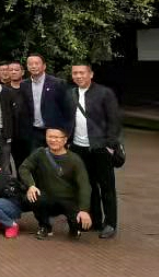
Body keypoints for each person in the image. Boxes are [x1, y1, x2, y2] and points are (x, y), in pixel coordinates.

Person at [68, 63, 122, 239]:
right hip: (78, 147)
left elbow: (114, 121)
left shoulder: (105, 93)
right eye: (75, 73)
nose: (78, 76)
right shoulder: (70, 93)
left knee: (107, 187)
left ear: (91, 74)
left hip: (100, 148)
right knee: (88, 185)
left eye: (82, 73)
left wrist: (110, 145)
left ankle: (110, 223)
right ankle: (95, 220)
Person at [20, 128, 92, 240]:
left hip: (68, 200)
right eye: (50, 137)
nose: (53, 140)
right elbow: (24, 168)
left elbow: (84, 186)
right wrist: (31, 185)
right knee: (34, 197)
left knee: (83, 224)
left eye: (57, 137)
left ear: (65, 140)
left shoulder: (74, 160)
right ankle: (45, 226)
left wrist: (84, 210)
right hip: (48, 198)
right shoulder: (40, 153)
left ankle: (74, 227)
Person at [22, 54, 71, 154]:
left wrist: (67, 133)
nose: (33, 66)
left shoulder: (58, 83)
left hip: (55, 131)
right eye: (30, 64)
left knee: (56, 159)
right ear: (27, 66)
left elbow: (68, 110)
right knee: (37, 159)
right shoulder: (24, 85)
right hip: (34, 132)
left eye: (37, 63)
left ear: (44, 66)